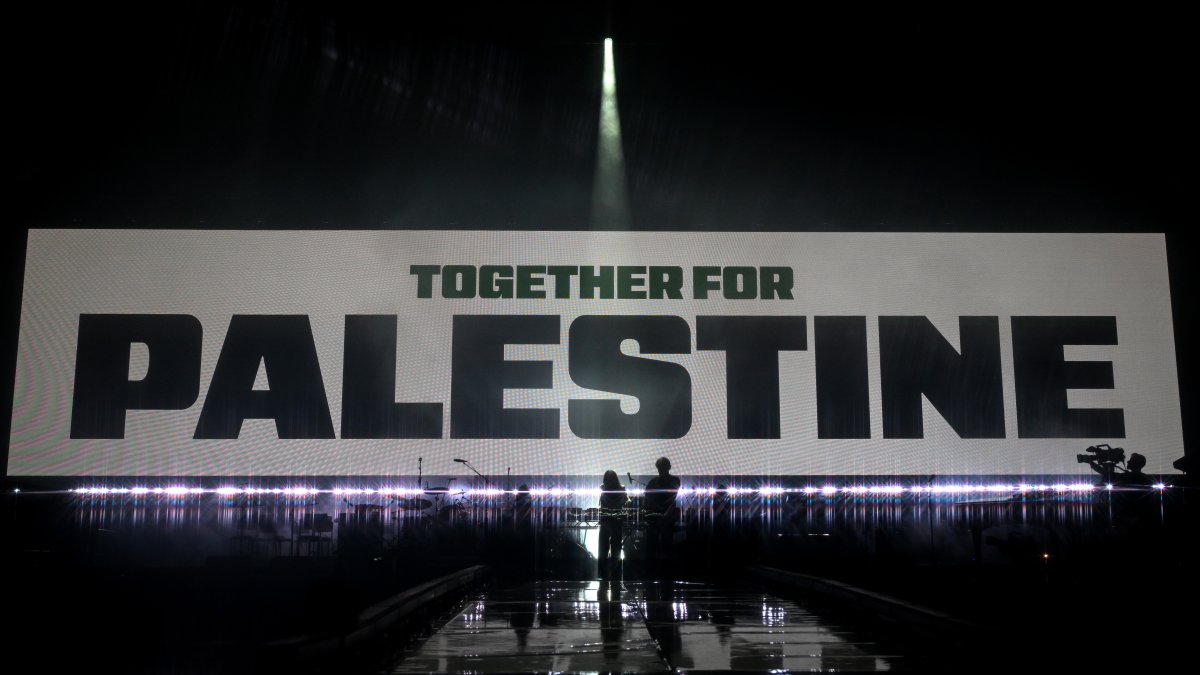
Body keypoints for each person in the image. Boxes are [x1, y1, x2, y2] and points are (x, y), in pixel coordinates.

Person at [643, 457, 681, 571]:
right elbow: (647, 497)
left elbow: (674, 496)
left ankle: (666, 570)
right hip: (655, 517)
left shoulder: (674, 480)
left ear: (668, 467)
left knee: (666, 543)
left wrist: (663, 508)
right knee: (652, 544)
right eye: (659, 468)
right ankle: (653, 569)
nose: (661, 470)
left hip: (667, 516)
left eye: (663, 467)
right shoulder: (653, 482)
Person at [598, 470, 628, 579]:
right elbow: (624, 503)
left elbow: (622, 502)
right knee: (614, 547)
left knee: (605, 547)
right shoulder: (618, 489)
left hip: (610, 520)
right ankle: (614, 572)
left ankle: (605, 573)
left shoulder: (608, 489)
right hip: (613, 520)